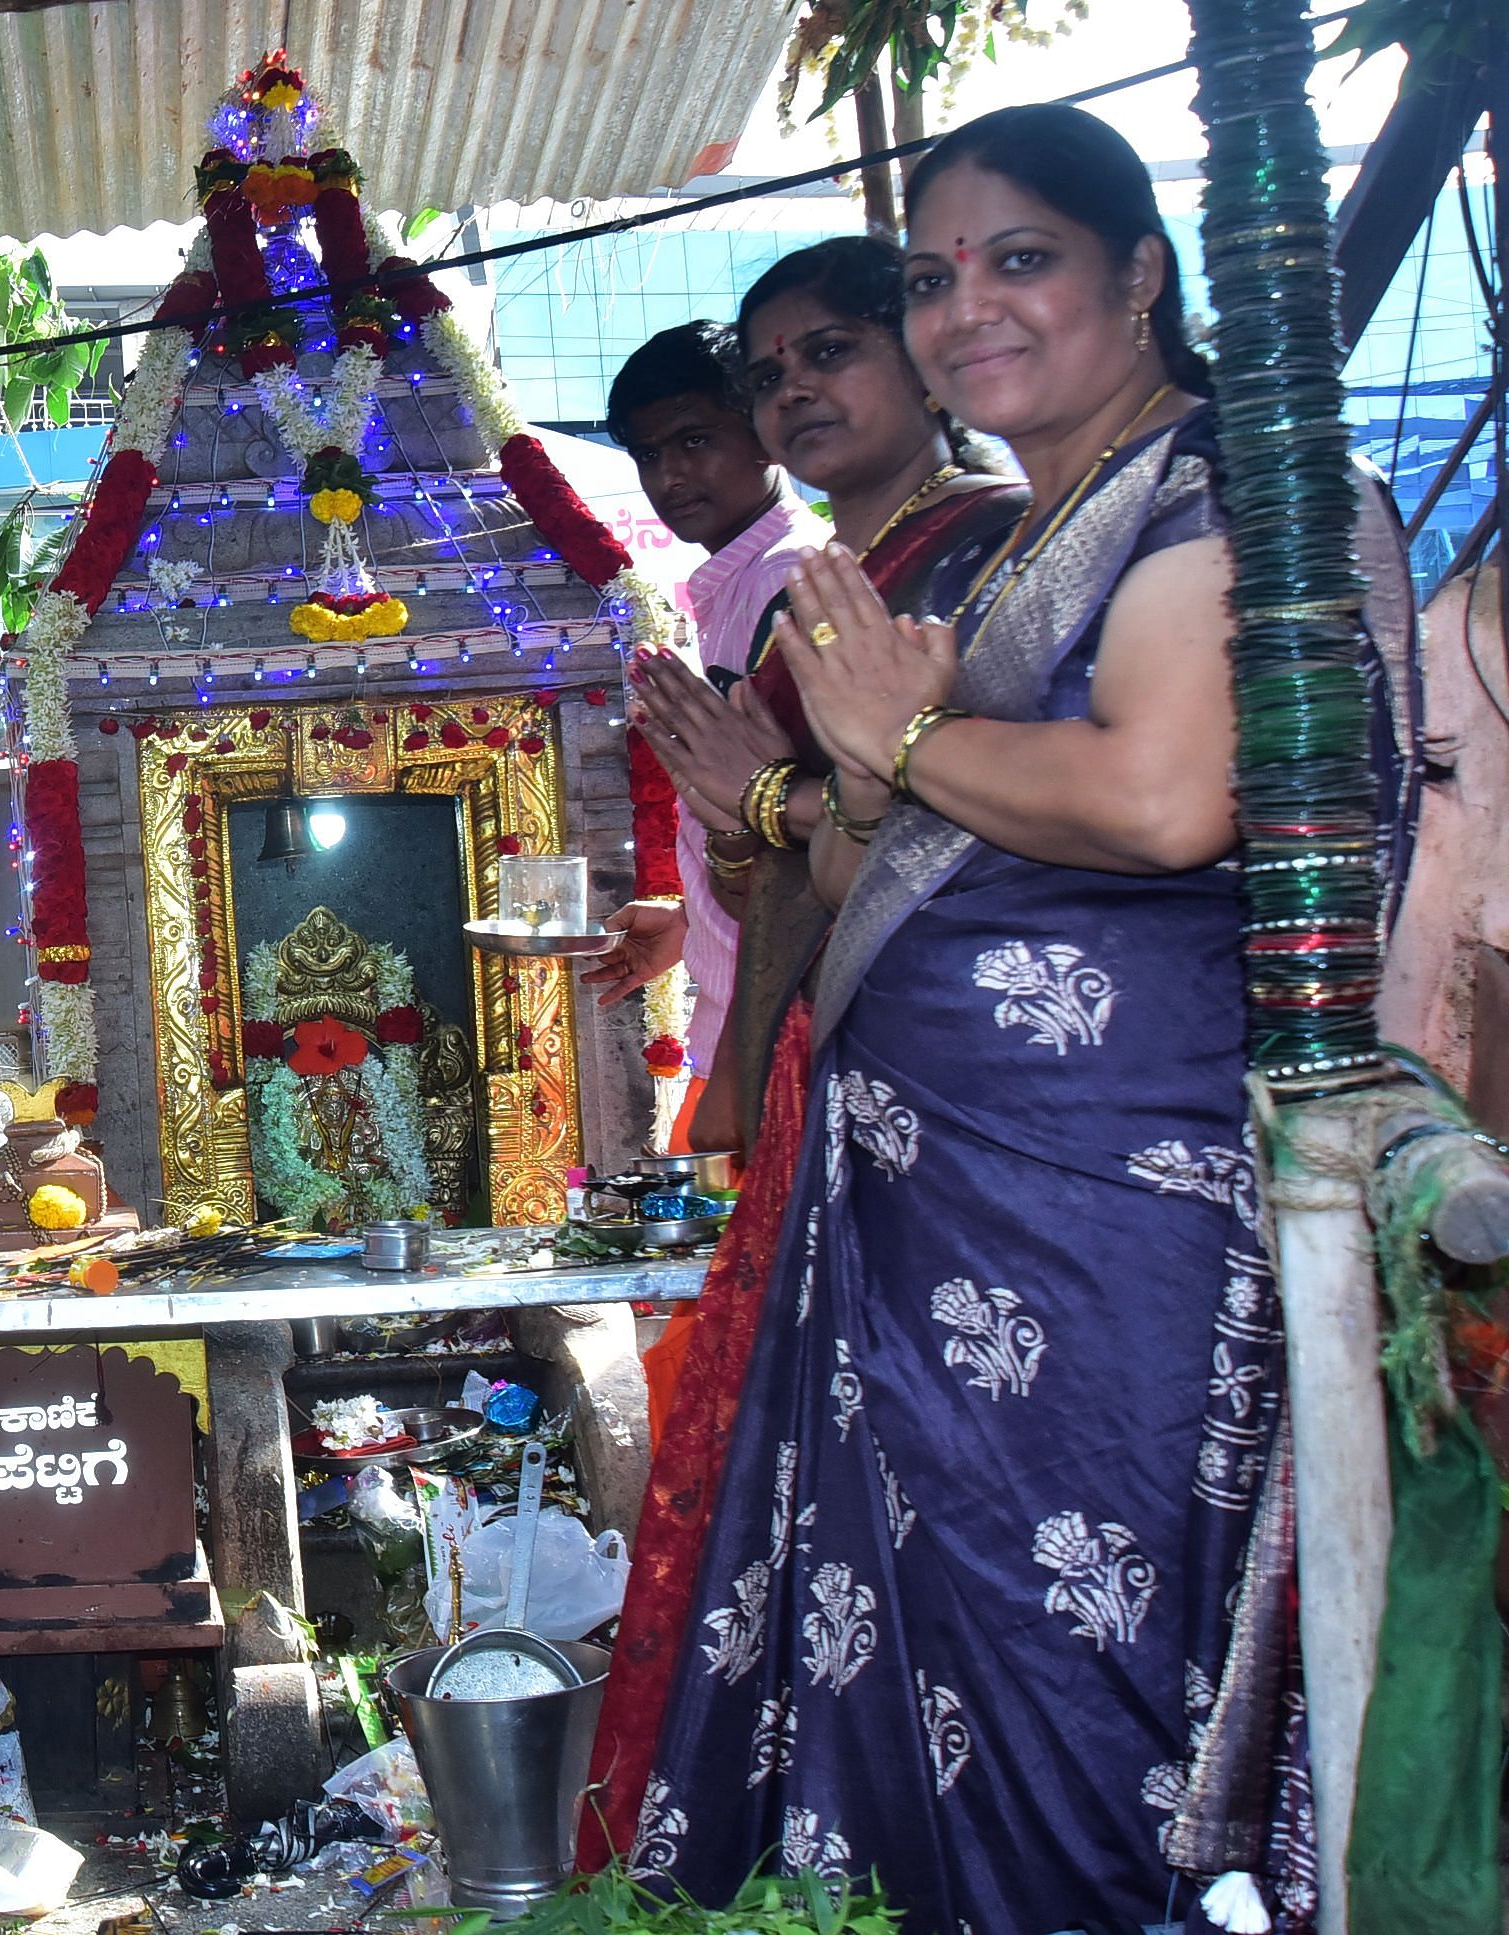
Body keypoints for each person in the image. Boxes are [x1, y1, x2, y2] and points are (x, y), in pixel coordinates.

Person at [632, 104, 1415, 1933]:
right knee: (942, 1668)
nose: (964, 307)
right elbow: (909, 835)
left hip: (1112, 1224)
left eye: (1019, 259)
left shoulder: (1234, 492)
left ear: (1139, 275)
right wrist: (792, 799)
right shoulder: (1007, 557)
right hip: (933, 1215)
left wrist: (886, 743)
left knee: (1096, 1665)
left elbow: (1159, 802)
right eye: (930, 276)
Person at [582, 234, 1026, 1862]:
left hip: (932, 1075)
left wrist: (765, 810)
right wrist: (713, 877)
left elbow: (893, 828)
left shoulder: (914, 565)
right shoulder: (813, 573)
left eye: (819, 358)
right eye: (770, 375)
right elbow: (792, 833)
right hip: (808, 1050)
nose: (787, 400)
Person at [587, 321, 820, 1132]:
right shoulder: (735, 585)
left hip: (781, 1025)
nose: (670, 475)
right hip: (740, 1004)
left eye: (693, 440)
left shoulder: (788, 582)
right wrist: (690, 923)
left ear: (763, 430)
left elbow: (817, 826)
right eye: (648, 454)